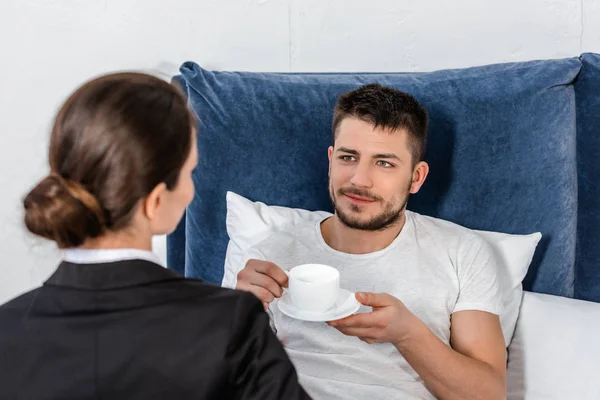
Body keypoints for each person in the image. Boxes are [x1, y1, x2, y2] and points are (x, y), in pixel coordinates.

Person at [0, 73, 310, 400]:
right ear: (156, 201)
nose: (192, 190)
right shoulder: (231, 323)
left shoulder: (6, 329)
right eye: (190, 172)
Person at [229, 84, 507, 400]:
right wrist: (237, 316)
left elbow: (489, 395)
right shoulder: (268, 258)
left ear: (416, 177)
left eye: (384, 162)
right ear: (331, 160)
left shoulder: (462, 253)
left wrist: (407, 334)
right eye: (349, 157)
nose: (360, 179)